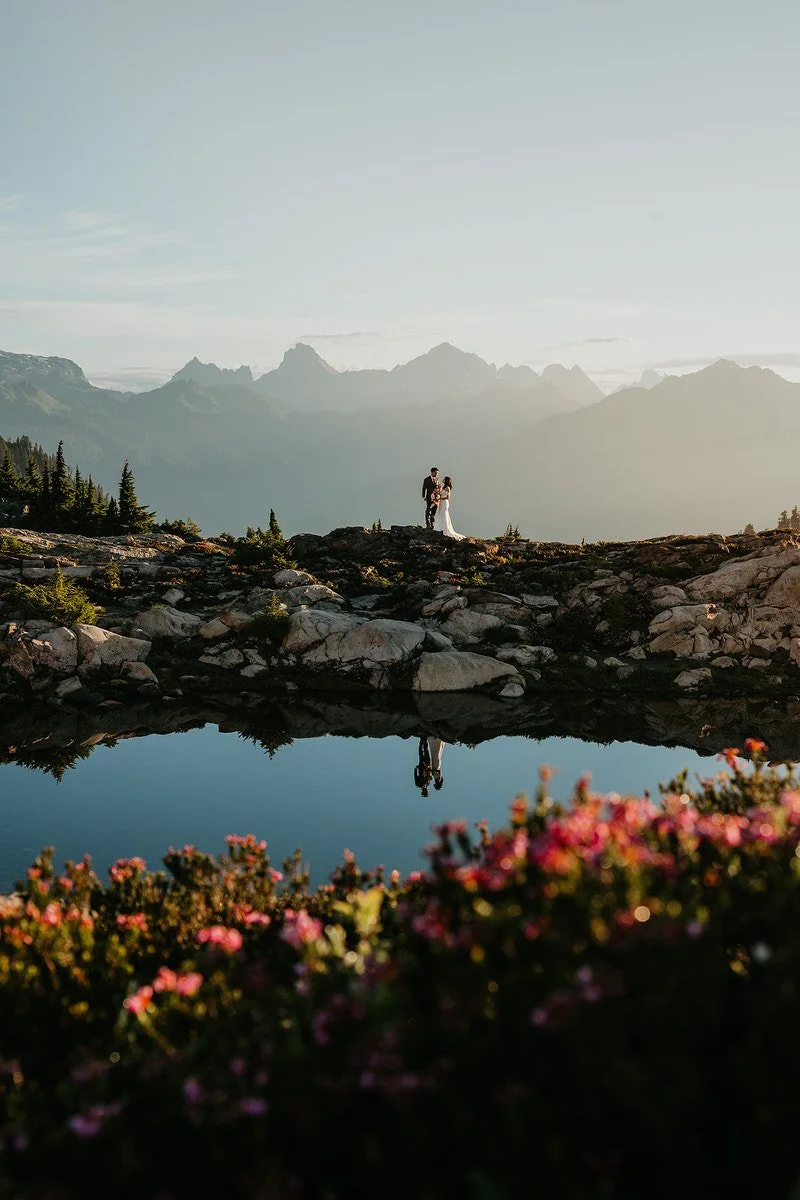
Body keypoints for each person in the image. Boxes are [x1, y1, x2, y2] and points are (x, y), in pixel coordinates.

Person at [433, 476, 465, 540]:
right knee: (440, 514)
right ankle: (441, 527)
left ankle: (446, 528)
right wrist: (436, 493)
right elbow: (440, 493)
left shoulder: (447, 488)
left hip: (445, 502)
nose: (443, 479)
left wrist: (440, 498)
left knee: (444, 514)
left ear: (446, 481)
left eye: (444, 479)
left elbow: (448, 497)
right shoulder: (443, 487)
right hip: (441, 503)